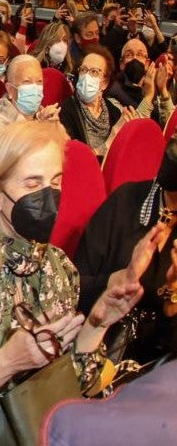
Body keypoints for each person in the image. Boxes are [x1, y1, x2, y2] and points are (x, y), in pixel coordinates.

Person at [0, 120, 154, 442]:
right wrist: (7, 363)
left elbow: (70, 390)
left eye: (55, 182)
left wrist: (96, 324)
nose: (48, 197)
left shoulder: (59, 269)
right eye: (32, 184)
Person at [73, 135, 177, 365]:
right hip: (97, 354)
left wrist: (172, 298)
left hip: (158, 368)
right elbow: (74, 288)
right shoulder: (125, 202)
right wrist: (121, 279)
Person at [0, 54, 60, 148]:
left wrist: (56, 128)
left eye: (39, 82)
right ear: (10, 89)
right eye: (27, 82)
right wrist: (40, 128)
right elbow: (24, 160)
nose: (35, 88)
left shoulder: (44, 114)